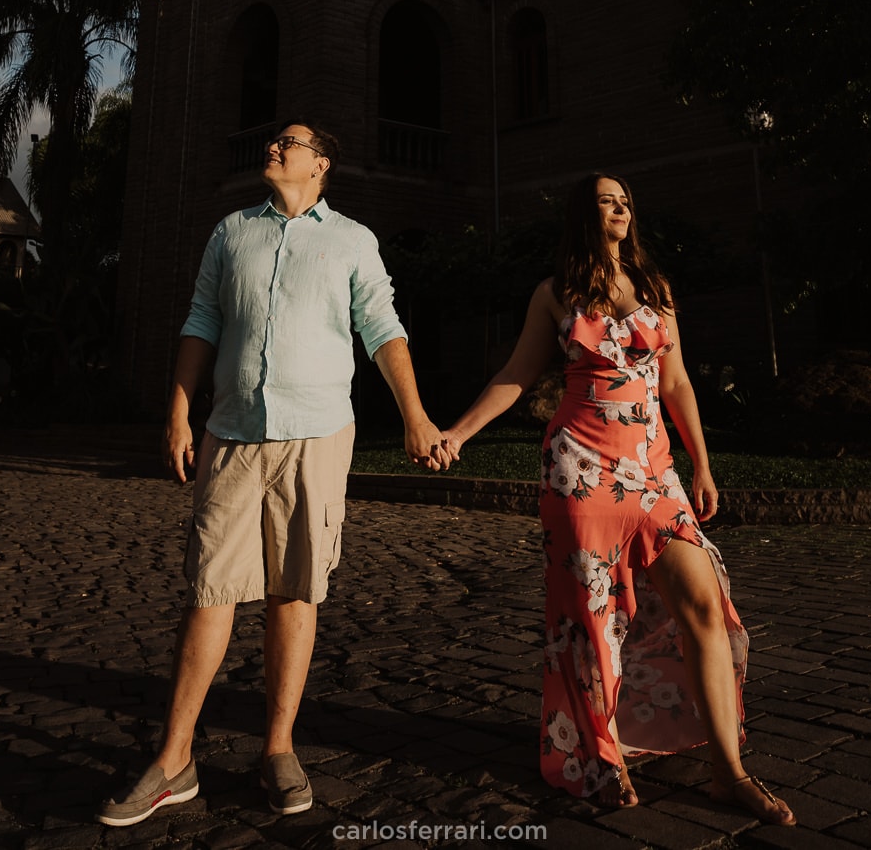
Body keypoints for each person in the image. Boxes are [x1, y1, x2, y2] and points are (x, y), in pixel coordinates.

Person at [98, 120, 449, 828]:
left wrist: (414, 415)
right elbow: (202, 322)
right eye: (273, 140)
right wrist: (177, 414)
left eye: (287, 142)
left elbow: (382, 330)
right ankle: (173, 760)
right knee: (208, 591)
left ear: (319, 164)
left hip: (317, 435)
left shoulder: (351, 239)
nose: (272, 147)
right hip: (230, 434)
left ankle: (279, 750)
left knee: (295, 591)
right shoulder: (231, 233)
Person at [436, 172, 794, 827]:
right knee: (589, 623)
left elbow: (677, 380)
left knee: (705, 604)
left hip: (656, 473)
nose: (621, 208)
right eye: (607, 200)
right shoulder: (555, 294)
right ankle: (602, 760)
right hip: (580, 469)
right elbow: (518, 374)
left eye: (626, 200)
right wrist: (457, 432)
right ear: (583, 215)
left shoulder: (656, 289)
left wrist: (702, 464)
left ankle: (728, 771)